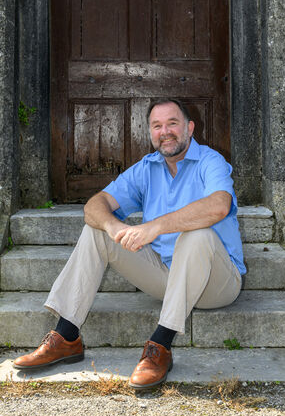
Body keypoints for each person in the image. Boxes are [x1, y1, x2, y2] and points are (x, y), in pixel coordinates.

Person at [13, 98, 246, 388]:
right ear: (150, 133)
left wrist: (154, 227)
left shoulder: (211, 162)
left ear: (189, 127)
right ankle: (67, 336)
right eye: (157, 126)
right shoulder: (146, 169)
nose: (165, 131)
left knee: (199, 234)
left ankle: (160, 345)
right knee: (97, 229)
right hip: (166, 276)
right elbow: (94, 205)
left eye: (172, 123)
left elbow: (218, 206)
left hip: (218, 284)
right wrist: (114, 226)